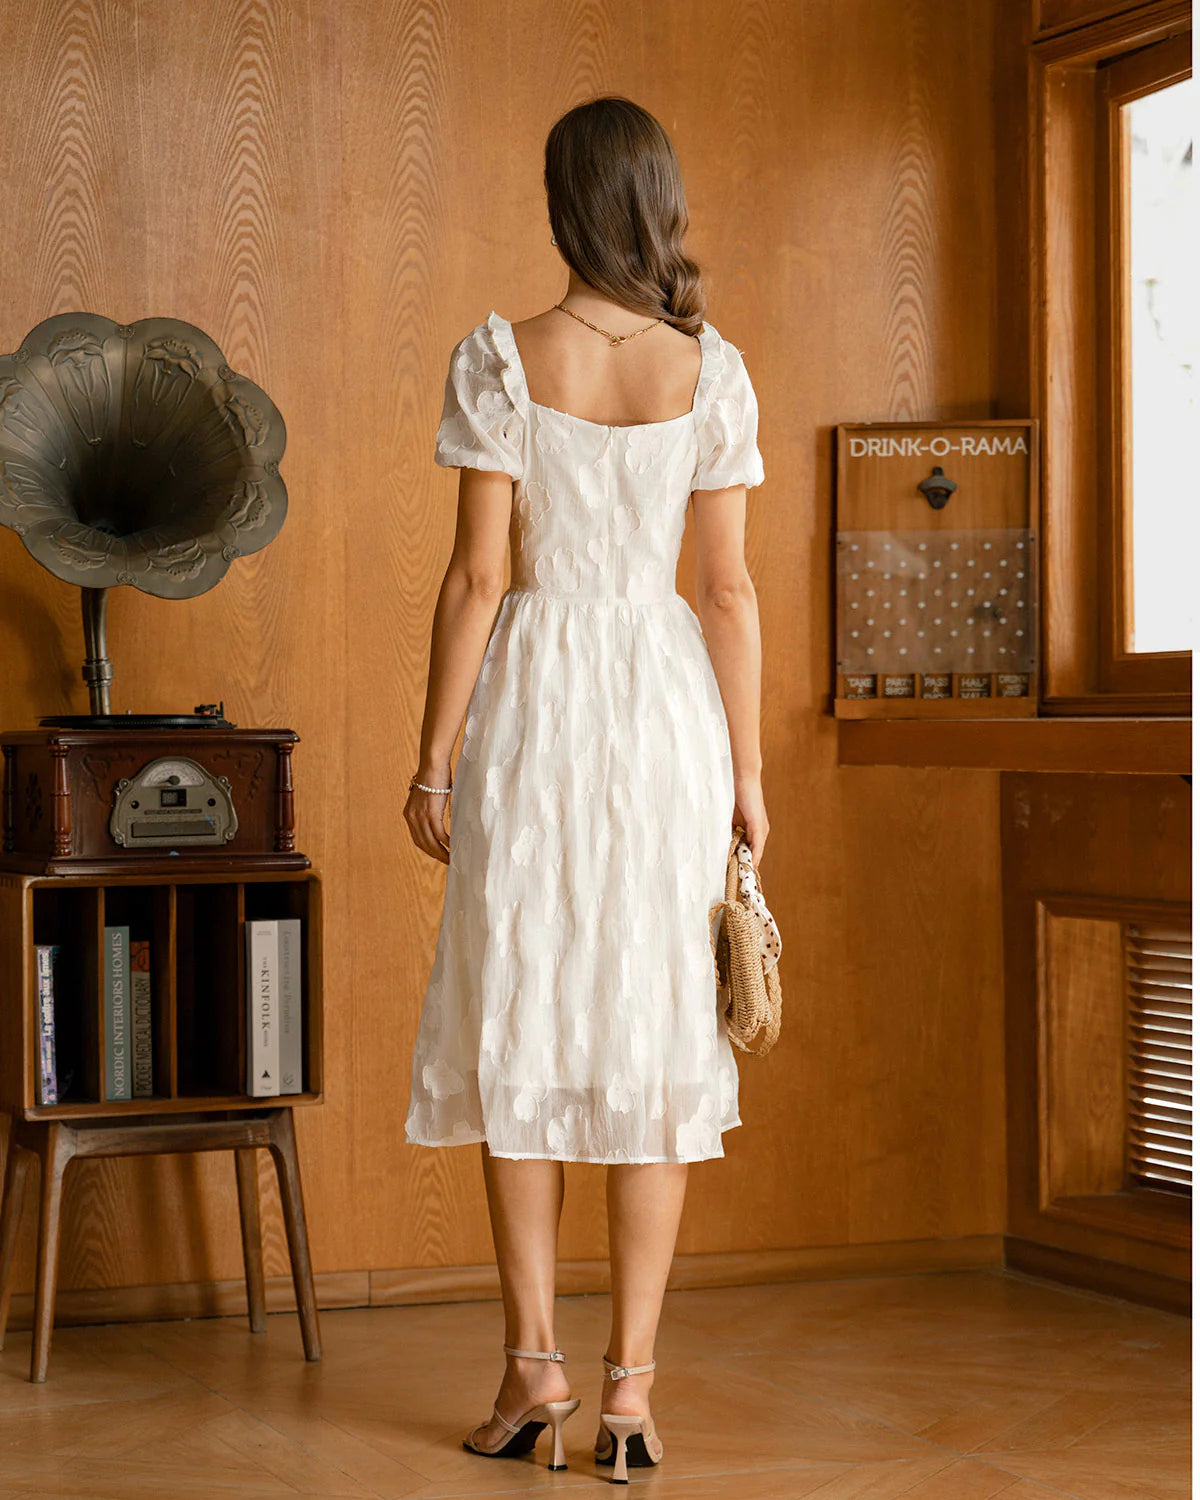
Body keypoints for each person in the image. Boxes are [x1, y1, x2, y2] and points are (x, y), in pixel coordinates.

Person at [402, 94, 767, 1483]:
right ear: (658, 203)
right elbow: (726, 591)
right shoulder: (711, 372)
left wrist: (434, 758)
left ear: (563, 203)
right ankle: (630, 1396)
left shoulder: (503, 358)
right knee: (652, 1036)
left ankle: (531, 1367)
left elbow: (477, 577)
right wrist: (747, 776)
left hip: (537, 710)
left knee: (523, 1016)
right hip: (666, 716)